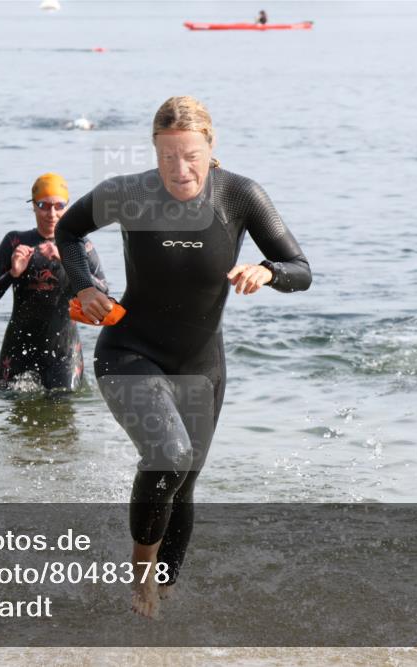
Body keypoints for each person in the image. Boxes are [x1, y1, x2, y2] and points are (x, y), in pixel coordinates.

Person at [56, 96, 311, 618]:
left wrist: (268, 271)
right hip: (130, 349)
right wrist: (83, 286)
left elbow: (299, 267)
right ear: (154, 151)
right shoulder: (128, 194)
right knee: (169, 456)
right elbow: (69, 230)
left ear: (210, 147)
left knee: (184, 480)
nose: (180, 169)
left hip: (201, 363)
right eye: (168, 157)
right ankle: (142, 580)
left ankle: (164, 606)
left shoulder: (240, 195)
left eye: (191, 155)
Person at [0, 173, 108, 391]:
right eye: (43, 205)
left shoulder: (79, 245)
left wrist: (68, 262)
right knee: (10, 412)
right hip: (17, 349)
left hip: (64, 352)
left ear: (67, 206)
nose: (52, 214)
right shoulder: (15, 241)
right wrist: (13, 273)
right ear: (33, 206)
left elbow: (104, 296)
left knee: (63, 410)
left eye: (59, 206)